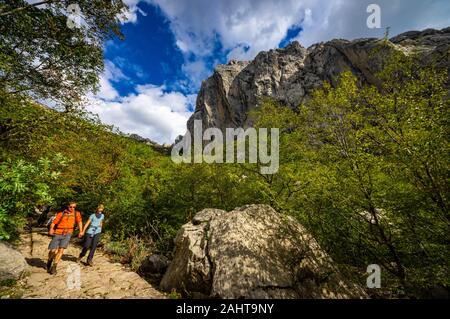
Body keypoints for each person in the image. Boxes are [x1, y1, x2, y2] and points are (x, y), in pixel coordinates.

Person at [47, 201, 83, 275]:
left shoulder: (76, 214)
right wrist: (51, 229)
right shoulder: (61, 214)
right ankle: (50, 260)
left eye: (74, 207)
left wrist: (81, 231)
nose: (72, 208)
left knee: (61, 250)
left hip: (68, 233)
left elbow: (79, 222)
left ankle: (54, 267)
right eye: (71, 207)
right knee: (53, 250)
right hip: (58, 233)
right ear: (68, 206)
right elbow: (54, 223)